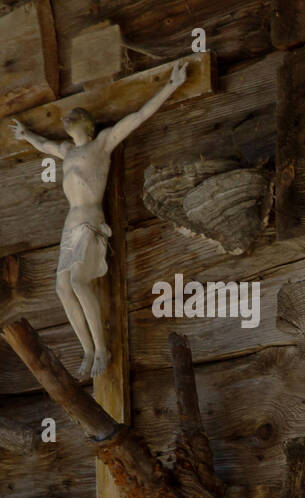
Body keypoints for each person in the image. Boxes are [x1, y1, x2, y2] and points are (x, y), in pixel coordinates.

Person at [10, 60, 189, 379]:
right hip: (70, 226)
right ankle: (88, 349)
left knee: (79, 282)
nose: (68, 121)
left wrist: (171, 85)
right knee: (63, 288)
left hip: (90, 221)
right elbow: (44, 144)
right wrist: (26, 135)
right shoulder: (67, 150)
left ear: (87, 126)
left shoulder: (101, 144)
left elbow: (138, 117)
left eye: (74, 118)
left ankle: (102, 349)